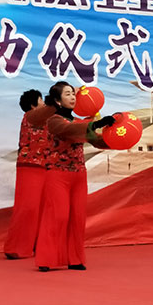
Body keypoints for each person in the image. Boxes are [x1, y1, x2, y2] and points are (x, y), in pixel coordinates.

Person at [35, 82, 115, 272]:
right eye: (68, 94)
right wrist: (96, 124)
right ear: (57, 100)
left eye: (73, 94)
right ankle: (46, 258)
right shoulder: (54, 121)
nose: (72, 97)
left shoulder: (79, 122)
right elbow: (69, 130)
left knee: (78, 218)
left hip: (79, 175)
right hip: (57, 175)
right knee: (58, 216)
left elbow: (95, 140)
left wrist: (118, 137)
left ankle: (75, 259)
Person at [3, 89, 56, 259]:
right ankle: (15, 247)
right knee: (28, 207)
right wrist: (59, 98)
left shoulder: (48, 119)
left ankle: (38, 245)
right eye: (41, 100)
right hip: (29, 166)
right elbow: (50, 109)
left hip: (46, 166)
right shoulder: (30, 116)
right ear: (33, 105)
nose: (43, 103)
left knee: (43, 208)